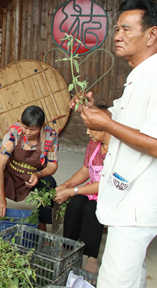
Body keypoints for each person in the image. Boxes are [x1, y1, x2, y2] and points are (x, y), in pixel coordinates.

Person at [69, 0, 157, 287]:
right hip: (125, 198)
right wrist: (97, 110)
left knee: (114, 280)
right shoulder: (140, 76)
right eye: (116, 29)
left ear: (152, 35)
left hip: (138, 203)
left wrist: (107, 124)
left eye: (126, 28)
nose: (117, 35)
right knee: (131, 275)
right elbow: (126, 121)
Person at [0, 105, 58, 231]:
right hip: (10, 173)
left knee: (49, 183)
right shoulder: (14, 132)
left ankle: (42, 224)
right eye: (25, 127)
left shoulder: (50, 136)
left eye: (33, 129)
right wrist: (0, 197)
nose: (27, 132)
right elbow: (0, 165)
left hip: (32, 178)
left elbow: (52, 166)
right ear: (20, 122)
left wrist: (38, 175)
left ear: (42, 126)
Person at [54, 106, 111, 273]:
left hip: (110, 193)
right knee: (75, 204)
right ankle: (68, 247)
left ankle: (92, 256)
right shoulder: (94, 145)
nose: (87, 132)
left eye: (91, 128)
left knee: (91, 209)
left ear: (106, 127)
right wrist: (66, 186)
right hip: (92, 190)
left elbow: (106, 183)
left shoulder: (117, 150)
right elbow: (85, 170)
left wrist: (73, 190)